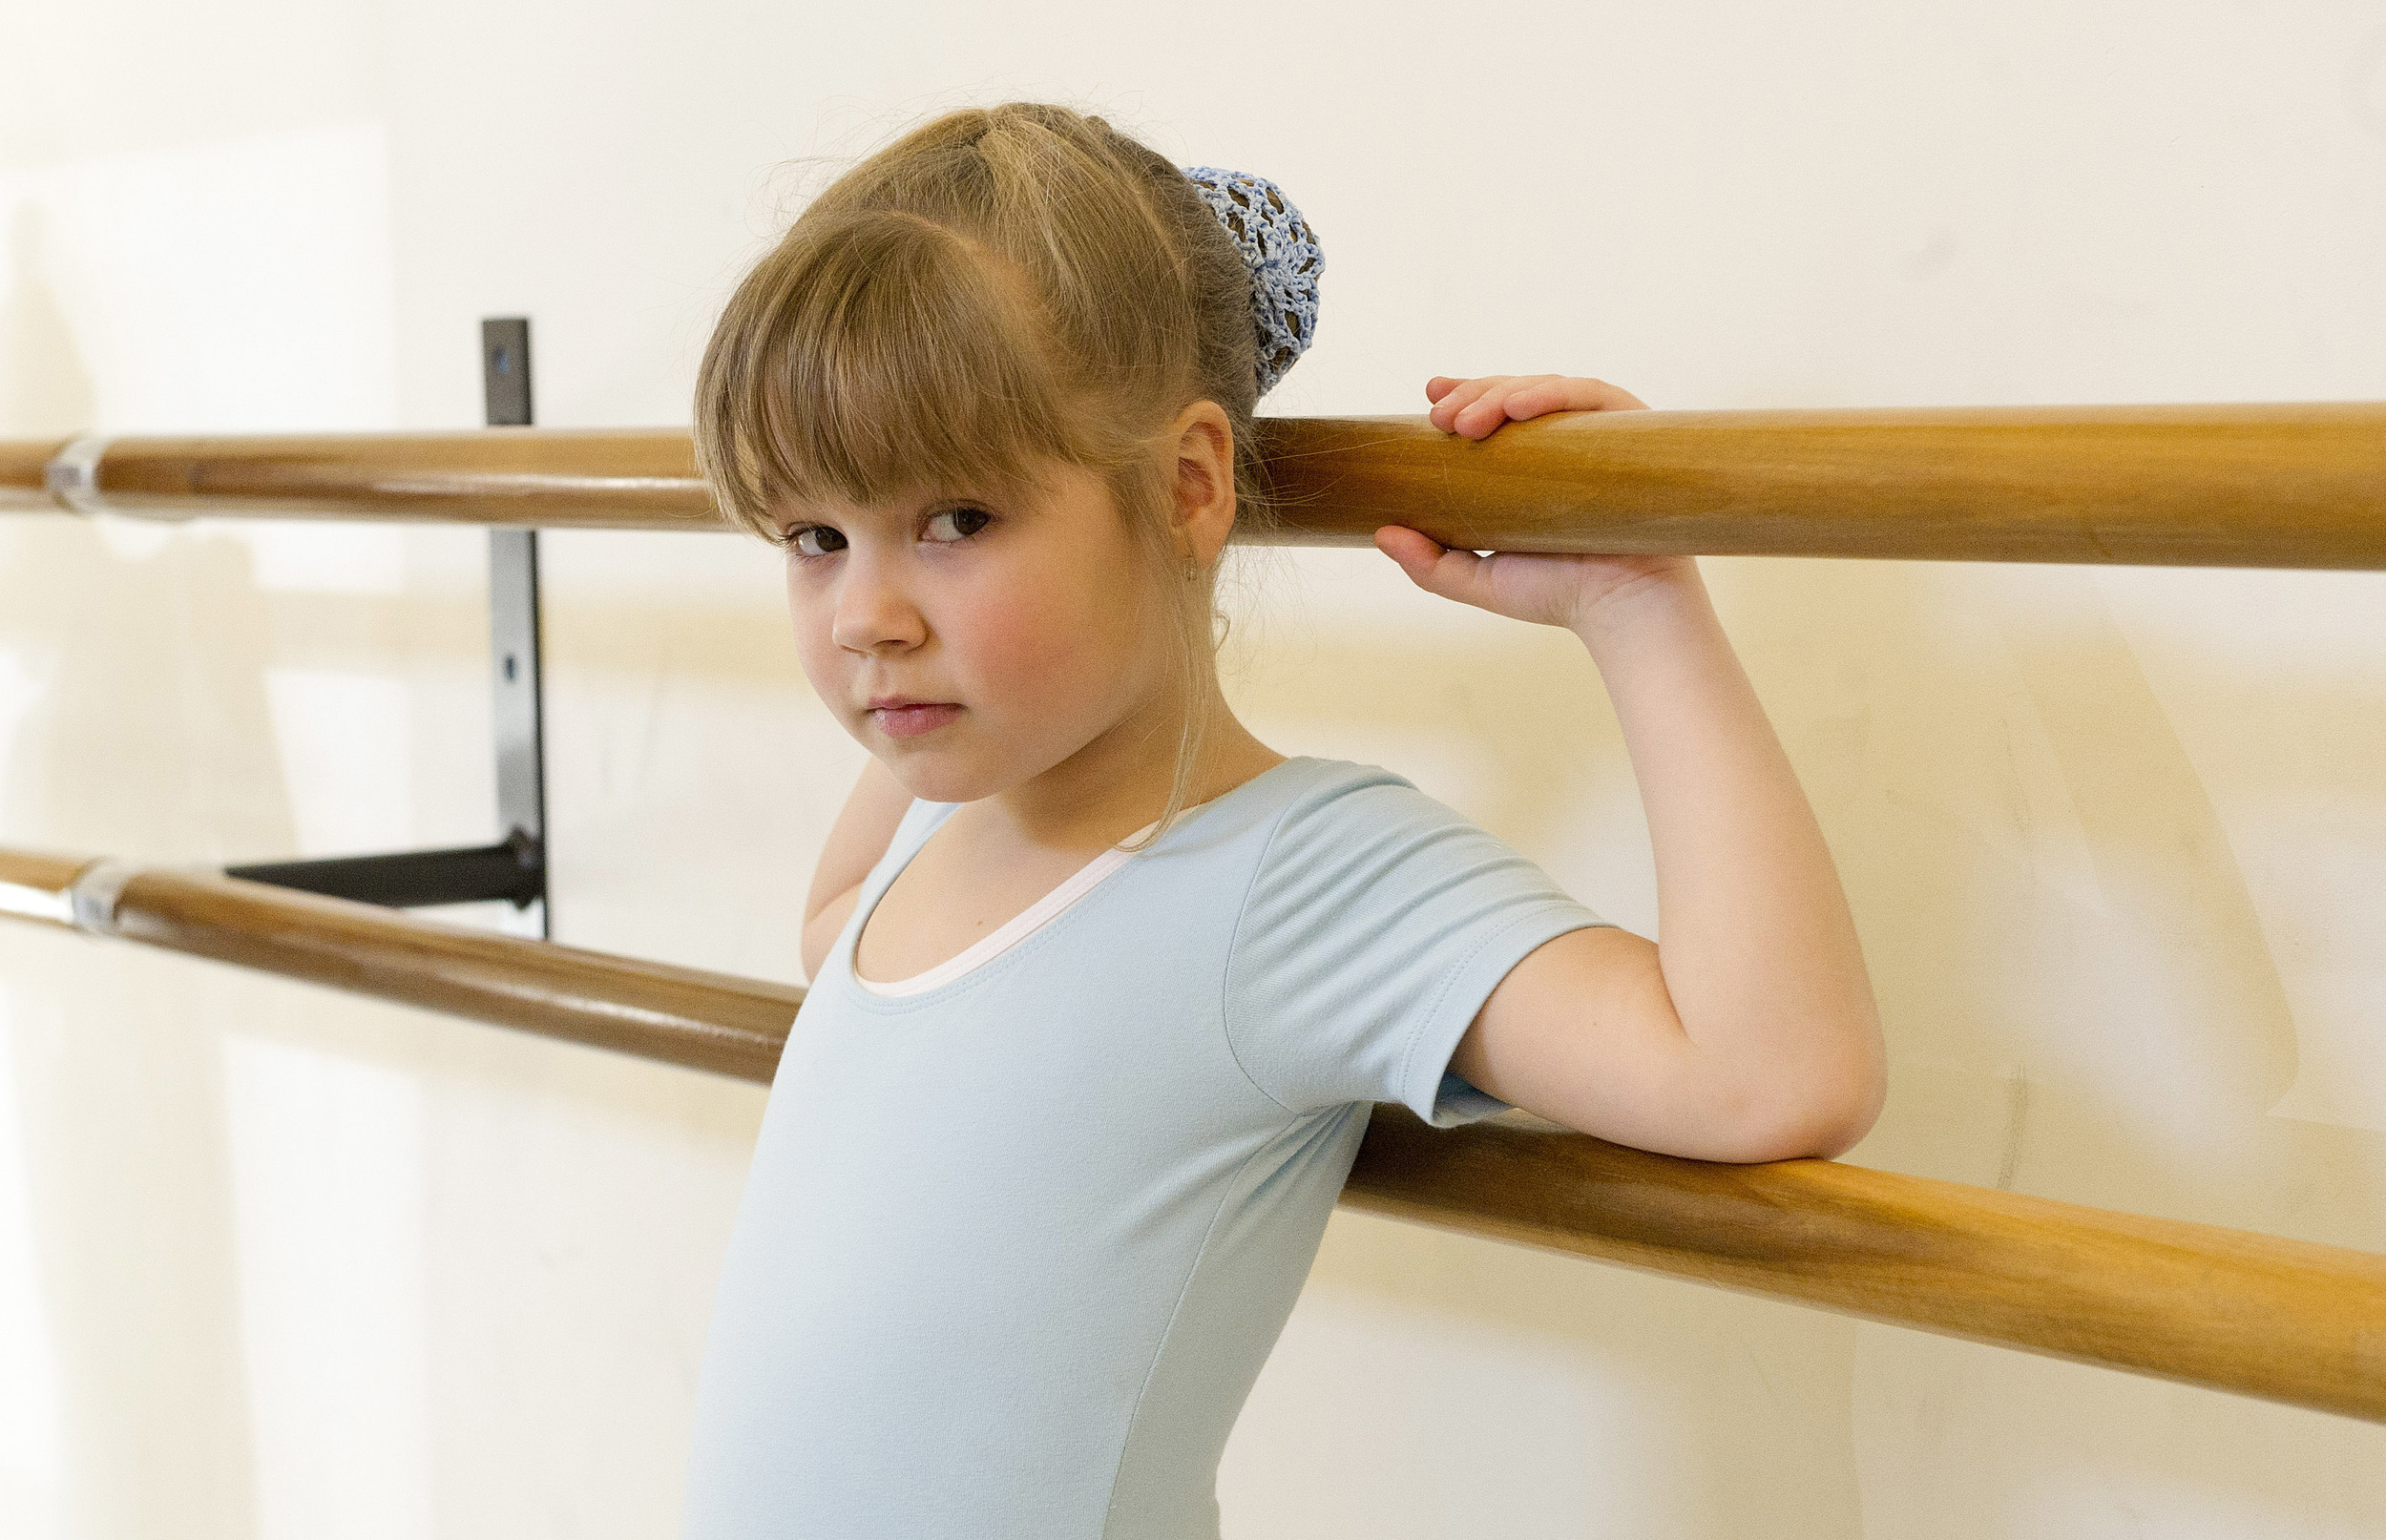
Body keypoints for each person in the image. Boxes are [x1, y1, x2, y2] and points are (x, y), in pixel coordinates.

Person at [678, 100, 1886, 1539]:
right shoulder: (944, 842)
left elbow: (1770, 1073)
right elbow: (847, 955)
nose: (866, 617)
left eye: (954, 522)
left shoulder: (1293, 883)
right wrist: (933, 696)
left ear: (1188, 487)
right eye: (816, 538)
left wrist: (1639, 609)